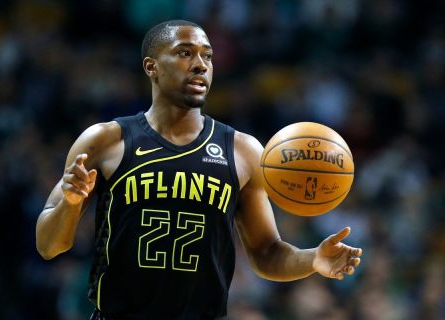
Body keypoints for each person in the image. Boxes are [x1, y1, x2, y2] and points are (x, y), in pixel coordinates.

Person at [36, 20, 362, 320]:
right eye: (184, 53)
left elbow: (266, 253)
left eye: (207, 56)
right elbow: (49, 245)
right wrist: (70, 202)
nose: (200, 64)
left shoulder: (243, 150)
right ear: (151, 67)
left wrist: (313, 260)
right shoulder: (106, 140)